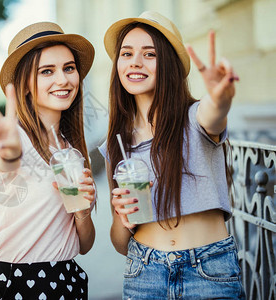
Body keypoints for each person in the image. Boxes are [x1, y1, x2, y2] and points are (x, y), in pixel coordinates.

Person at [98, 11, 245, 299]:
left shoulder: (194, 119)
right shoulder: (116, 144)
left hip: (209, 271)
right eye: (126, 54)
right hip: (144, 273)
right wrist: (121, 218)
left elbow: (214, 114)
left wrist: (220, 96)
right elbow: (119, 243)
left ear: (168, 64)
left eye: (149, 54)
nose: (135, 62)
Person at [0, 22, 96, 299]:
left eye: (69, 68)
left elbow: (85, 244)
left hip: (65, 280)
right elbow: (6, 159)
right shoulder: (14, 138)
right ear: (26, 85)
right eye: (47, 72)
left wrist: (82, 211)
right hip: (13, 282)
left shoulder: (72, 151)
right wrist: (8, 149)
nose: (63, 80)